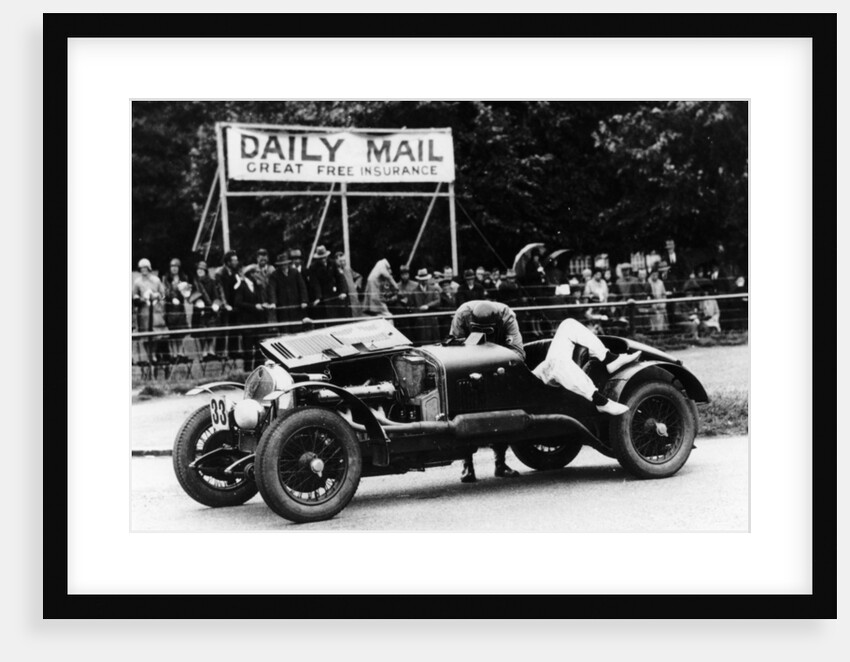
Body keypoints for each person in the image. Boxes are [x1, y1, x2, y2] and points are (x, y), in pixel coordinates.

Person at [449, 300, 640, 483]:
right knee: (468, 398)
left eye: (488, 330)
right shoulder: (461, 315)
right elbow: (454, 351)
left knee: (568, 324)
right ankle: (468, 465)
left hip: (518, 380)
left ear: (496, 323)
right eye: (478, 329)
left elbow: (518, 355)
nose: (483, 333)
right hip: (478, 376)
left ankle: (608, 359)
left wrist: (490, 351)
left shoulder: (506, 315)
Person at [132, 258, 166, 365]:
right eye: (141, 269)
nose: (143, 271)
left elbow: (163, 294)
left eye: (145, 268)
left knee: (156, 334)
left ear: (149, 268)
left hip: (155, 310)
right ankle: (149, 356)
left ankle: (154, 354)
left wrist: (157, 296)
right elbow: (134, 296)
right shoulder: (137, 282)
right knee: (145, 335)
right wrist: (140, 299)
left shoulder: (156, 280)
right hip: (144, 311)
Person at [189, 260, 221, 358]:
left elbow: (216, 295)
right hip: (199, 311)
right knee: (201, 333)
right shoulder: (194, 283)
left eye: (202, 269)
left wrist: (216, 304)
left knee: (211, 331)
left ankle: (211, 351)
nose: (199, 271)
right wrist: (197, 301)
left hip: (210, 310)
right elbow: (190, 295)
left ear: (205, 270)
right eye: (198, 269)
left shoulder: (211, 282)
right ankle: (204, 352)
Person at [270, 252, 309, 329]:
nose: (283, 266)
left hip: (296, 305)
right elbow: (272, 289)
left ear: (288, 264)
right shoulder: (274, 275)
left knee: (297, 327)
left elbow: (302, 287)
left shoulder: (295, 272)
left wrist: (304, 301)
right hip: (282, 306)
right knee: (284, 328)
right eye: (281, 265)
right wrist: (273, 302)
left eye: (285, 264)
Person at [163, 258, 190, 362]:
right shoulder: (166, 279)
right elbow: (165, 291)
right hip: (170, 308)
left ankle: (180, 353)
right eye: (172, 267)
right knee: (172, 332)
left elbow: (187, 293)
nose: (174, 269)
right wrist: (172, 296)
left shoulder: (184, 278)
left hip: (180, 308)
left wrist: (185, 292)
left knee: (181, 332)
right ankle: (174, 353)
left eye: (176, 267)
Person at [307, 245, 344, 320]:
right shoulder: (313, 267)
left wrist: (342, 292)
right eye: (321, 258)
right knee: (324, 316)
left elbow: (339, 278)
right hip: (322, 296)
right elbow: (315, 283)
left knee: (336, 316)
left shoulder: (332, 263)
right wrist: (318, 297)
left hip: (333, 294)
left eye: (324, 257)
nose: (323, 259)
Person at [215, 250, 240, 358]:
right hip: (225, 305)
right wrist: (225, 304)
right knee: (223, 329)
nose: (236, 262)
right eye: (234, 260)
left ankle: (233, 352)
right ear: (228, 261)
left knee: (234, 328)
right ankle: (220, 353)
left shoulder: (235, 272)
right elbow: (220, 290)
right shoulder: (220, 273)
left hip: (234, 304)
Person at [410, 268, 441, 343]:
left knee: (435, 342)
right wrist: (417, 315)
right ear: (419, 280)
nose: (425, 281)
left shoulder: (433, 289)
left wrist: (428, 306)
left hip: (432, 320)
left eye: (426, 279)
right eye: (422, 279)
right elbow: (411, 306)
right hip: (420, 322)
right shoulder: (414, 292)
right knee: (422, 342)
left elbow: (438, 301)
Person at [334, 251, 361, 317]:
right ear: (336, 260)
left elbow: (359, 277)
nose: (343, 263)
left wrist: (356, 284)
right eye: (341, 261)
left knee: (356, 313)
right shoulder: (334, 270)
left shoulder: (348, 269)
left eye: (344, 261)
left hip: (353, 296)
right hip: (343, 298)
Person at [646, 268, 669, 332]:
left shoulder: (660, 282)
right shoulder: (648, 282)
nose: (655, 276)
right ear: (651, 275)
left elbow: (664, 294)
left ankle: (660, 332)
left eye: (656, 275)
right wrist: (652, 304)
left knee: (661, 321)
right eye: (653, 275)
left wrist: (663, 303)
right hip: (652, 305)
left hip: (660, 304)